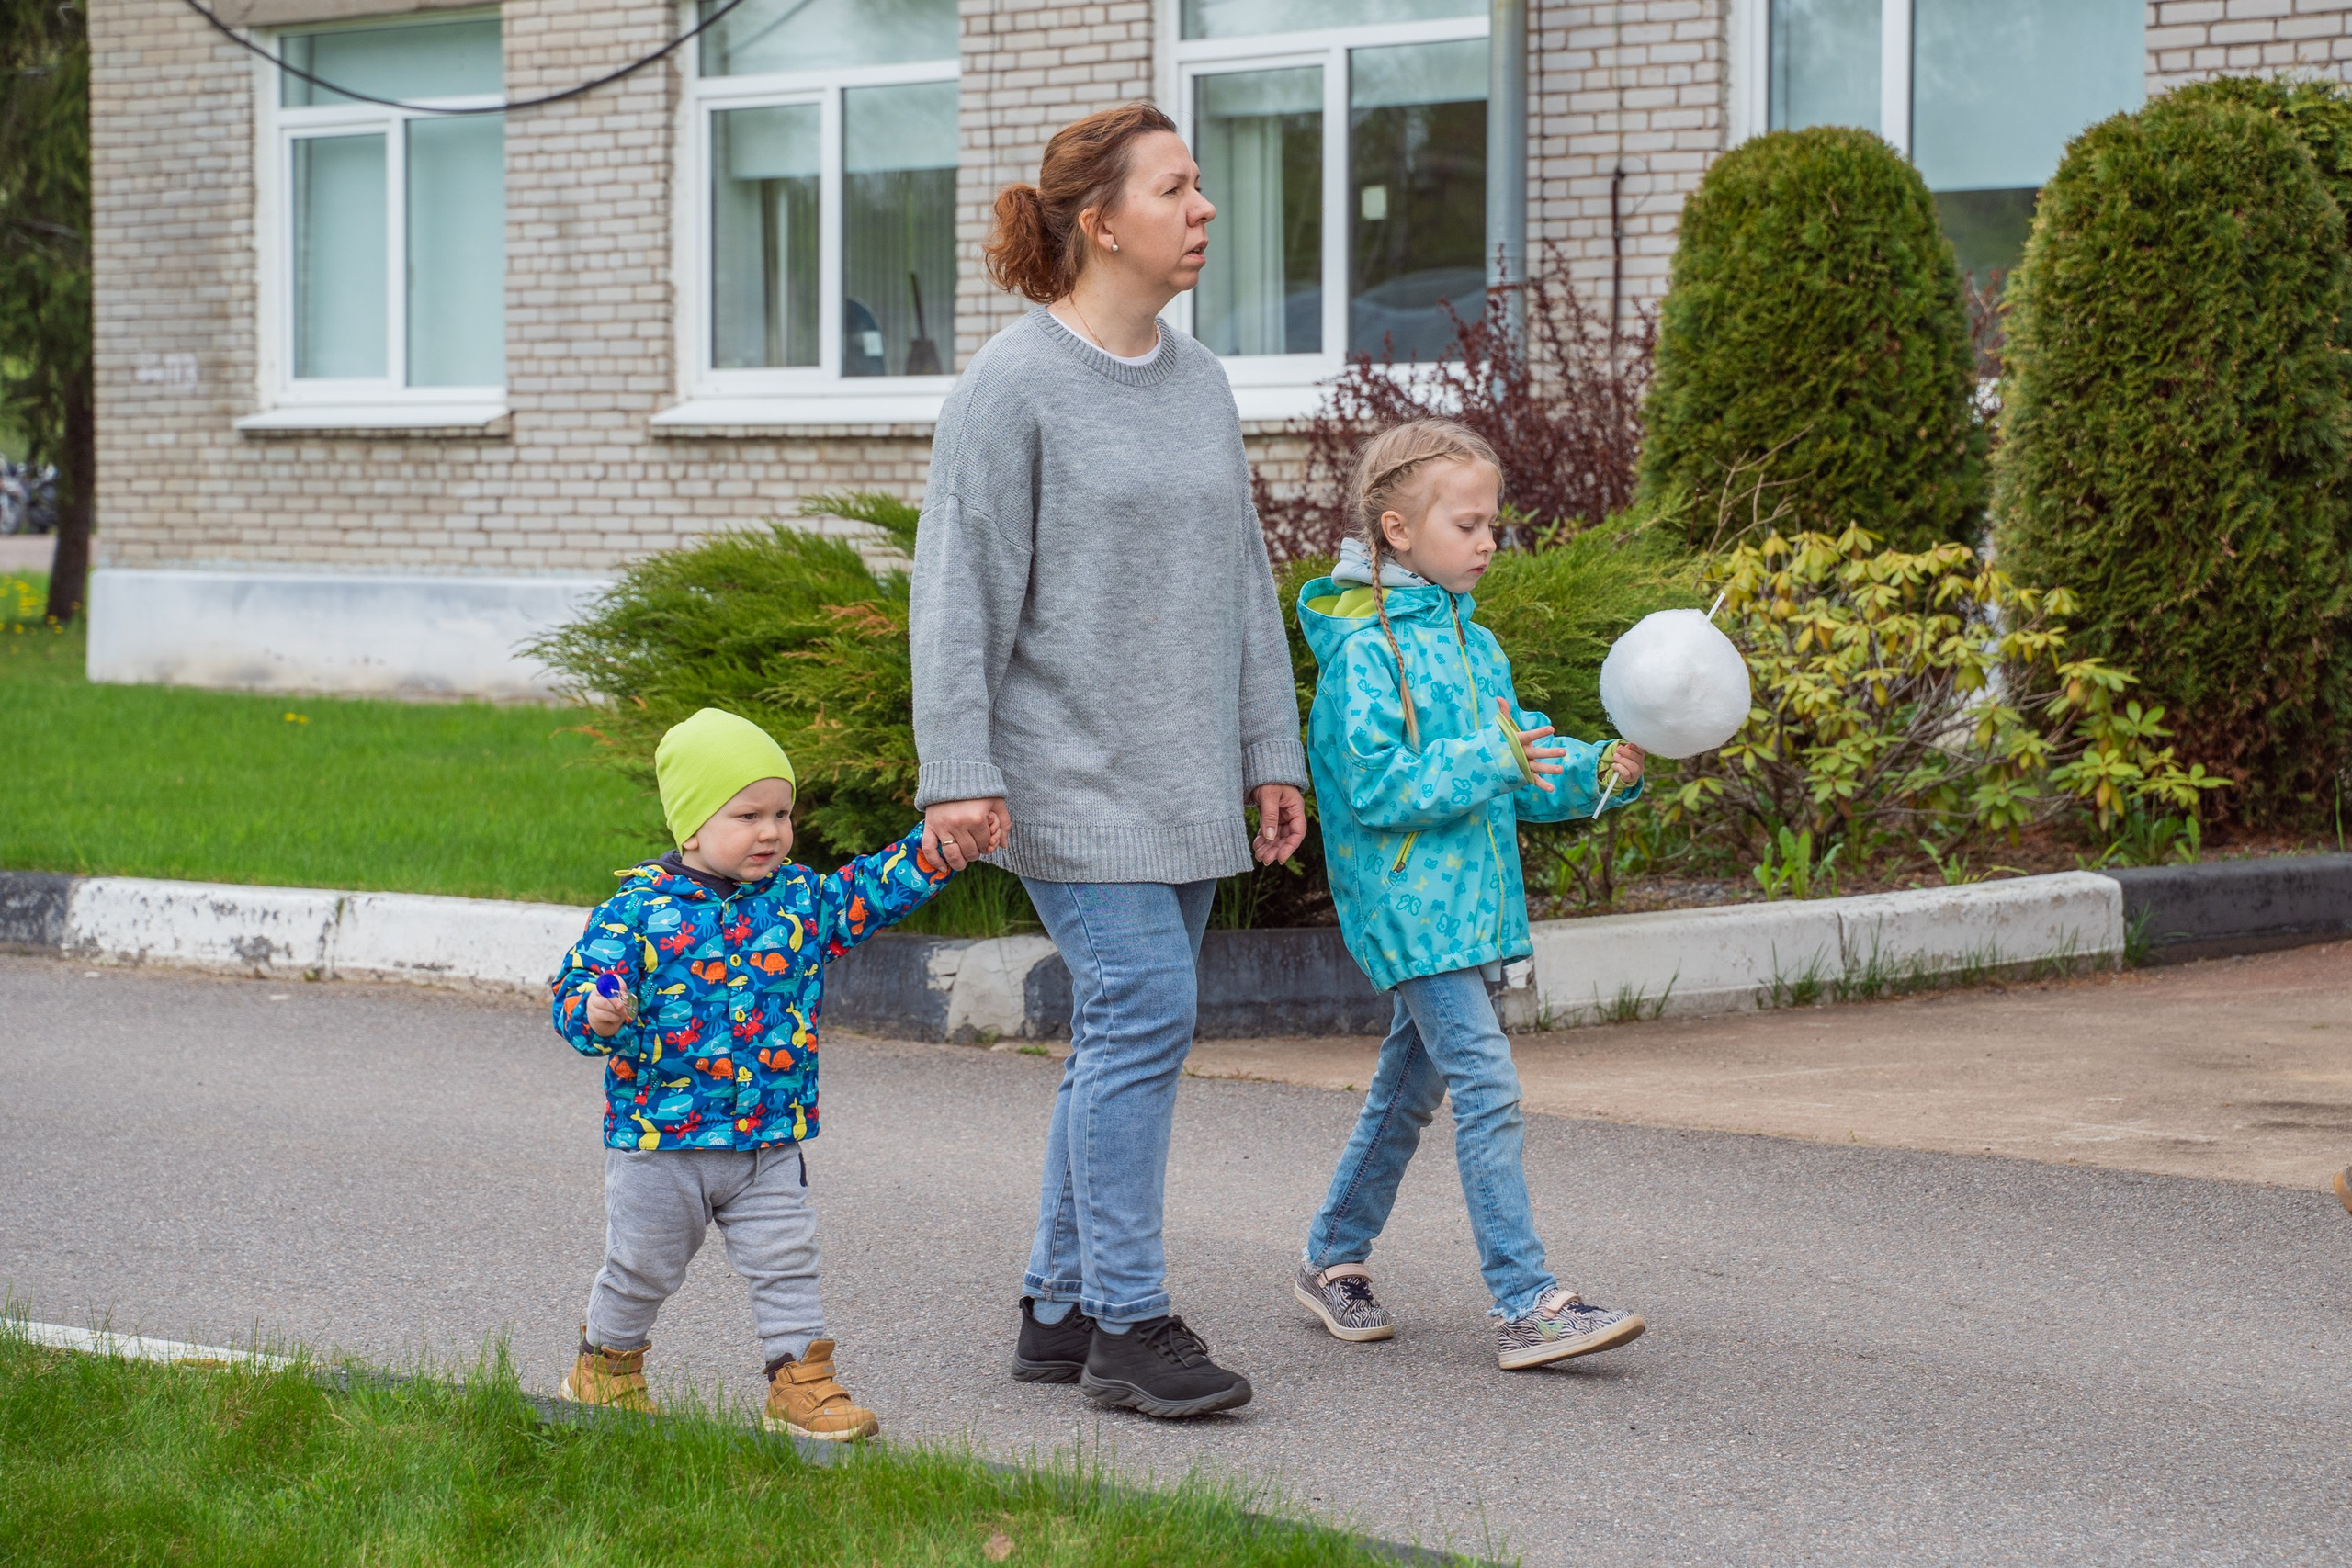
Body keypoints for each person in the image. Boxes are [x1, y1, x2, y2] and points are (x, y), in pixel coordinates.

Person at [908, 102, 1309, 1419]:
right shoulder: (1011, 388)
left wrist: (1270, 749)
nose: (1203, 210)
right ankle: (1133, 1323)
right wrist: (956, 767)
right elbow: (956, 596)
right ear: (1101, 223)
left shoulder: (1197, 381)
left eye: (1200, 188)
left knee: (1118, 1038)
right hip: (1065, 772)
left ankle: (1056, 1305)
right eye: (1177, 190)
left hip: (1185, 769)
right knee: (1144, 1013)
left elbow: (1246, 583)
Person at [1289, 419, 1652, 1371]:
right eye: (1467, 523)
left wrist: (1601, 770)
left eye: (1493, 523)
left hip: (1474, 912)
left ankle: (1330, 1256)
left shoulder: (1475, 647)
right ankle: (1526, 1300)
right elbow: (1370, 786)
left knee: (1408, 1094)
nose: (1488, 540)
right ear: (1398, 531)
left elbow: (1523, 759)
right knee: (1486, 1088)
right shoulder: (1364, 655)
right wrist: (1486, 758)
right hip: (1411, 912)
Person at [548, 707, 965, 1438]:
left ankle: (799, 1385)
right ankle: (605, 1367)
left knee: (787, 1262)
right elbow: (579, 989)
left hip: (767, 1139)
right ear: (692, 826)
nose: (771, 830)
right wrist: (598, 1013)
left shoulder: (799, 899)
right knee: (642, 1266)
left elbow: (869, 890)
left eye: (782, 812)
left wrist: (933, 850)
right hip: (661, 1141)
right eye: (748, 814)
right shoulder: (638, 912)